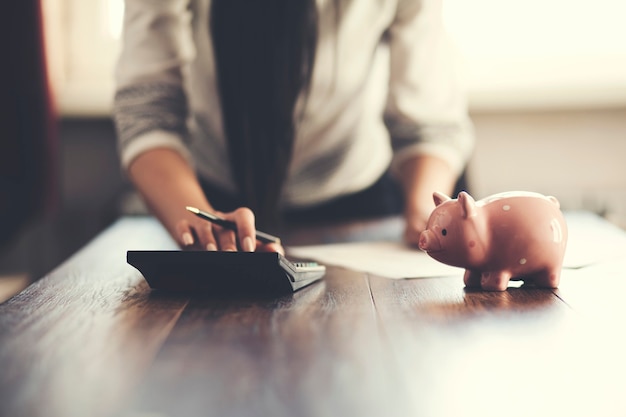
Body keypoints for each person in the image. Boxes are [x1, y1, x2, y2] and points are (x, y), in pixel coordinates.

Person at [113, 0, 474, 254]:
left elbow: (428, 125)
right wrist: (201, 224)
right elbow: (149, 111)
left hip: (355, 200)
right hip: (208, 198)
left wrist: (422, 215)